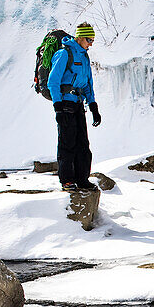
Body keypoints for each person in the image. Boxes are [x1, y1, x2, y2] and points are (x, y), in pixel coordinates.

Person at [49, 22, 101, 191]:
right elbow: (53, 81)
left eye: (92, 39)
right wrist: (57, 106)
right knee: (67, 142)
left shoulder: (84, 57)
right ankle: (67, 180)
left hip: (78, 104)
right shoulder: (64, 54)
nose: (91, 43)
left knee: (82, 143)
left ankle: (82, 179)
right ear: (79, 38)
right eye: (88, 39)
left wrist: (93, 106)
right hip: (64, 103)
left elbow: (87, 84)